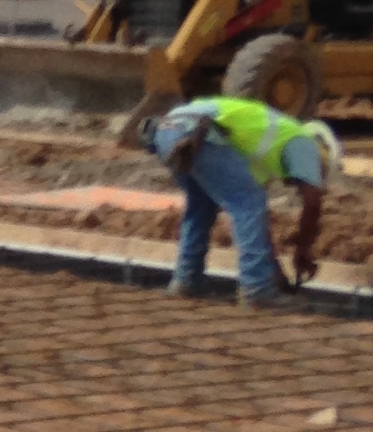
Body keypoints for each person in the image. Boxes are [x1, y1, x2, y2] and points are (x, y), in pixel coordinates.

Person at [141, 93, 341, 304]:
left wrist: (273, 270)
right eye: (322, 173)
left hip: (169, 132)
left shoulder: (262, 155)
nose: (316, 178)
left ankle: (186, 280)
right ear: (323, 155)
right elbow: (312, 202)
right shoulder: (304, 142)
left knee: (202, 207)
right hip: (197, 132)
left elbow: (256, 224)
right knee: (247, 203)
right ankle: (257, 289)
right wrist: (303, 250)